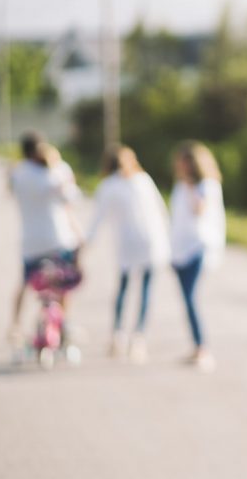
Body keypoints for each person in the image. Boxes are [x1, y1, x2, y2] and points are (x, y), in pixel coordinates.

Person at [84, 144, 170, 363]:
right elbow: (162, 211)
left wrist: (86, 245)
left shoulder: (111, 185)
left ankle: (119, 335)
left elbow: (97, 220)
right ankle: (136, 337)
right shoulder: (142, 180)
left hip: (132, 244)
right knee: (143, 291)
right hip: (148, 242)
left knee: (125, 289)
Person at [8, 131, 81, 339]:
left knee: (24, 283)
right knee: (63, 285)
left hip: (31, 243)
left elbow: (11, 189)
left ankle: (15, 326)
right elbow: (72, 197)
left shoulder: (18, 174)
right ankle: (64, 323)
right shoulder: (57, 172)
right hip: (58, 240)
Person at [169, 141, 225, 372]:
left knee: (191, 298)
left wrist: (192, 188)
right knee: (186, 300)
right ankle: (196, 345)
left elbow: (199, 211)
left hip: (198, 248)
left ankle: (203, 347)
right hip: (179, 250)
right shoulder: (179, 186)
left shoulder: (207, 185)